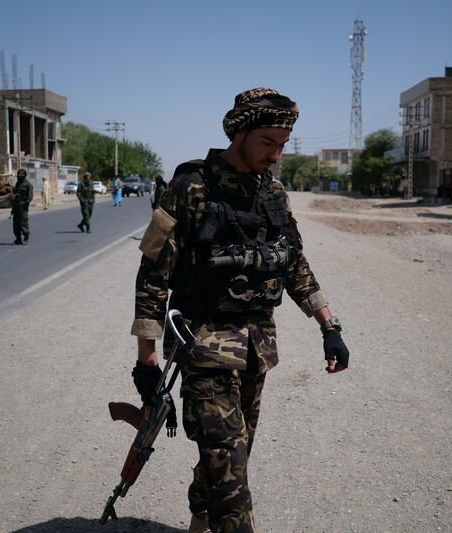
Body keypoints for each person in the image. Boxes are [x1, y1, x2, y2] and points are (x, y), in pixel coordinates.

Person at [130, 87, 350, 533]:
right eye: (267, 142)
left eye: (282, 145)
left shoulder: (274, 192)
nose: (275, 154)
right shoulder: (189, 189)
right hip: (202, 347)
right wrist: (146, 355)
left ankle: (199, 513)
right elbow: (153, 273)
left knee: (235, 451)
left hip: (256, 349)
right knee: (230, 468)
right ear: (240, 132)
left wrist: (329, 325)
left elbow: (294, 263)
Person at [11, 168, 33, 244]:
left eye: (21, 174)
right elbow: (15, 192)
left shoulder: (28, 184)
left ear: (25, 175)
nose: (19, 175)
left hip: (23, 207)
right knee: (16, 224)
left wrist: (25, 203)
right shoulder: (17, 184)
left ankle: (26, 237)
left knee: (23, 223)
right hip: (16, 206)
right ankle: (18, 238)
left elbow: (30, 196)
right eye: (19, 174)